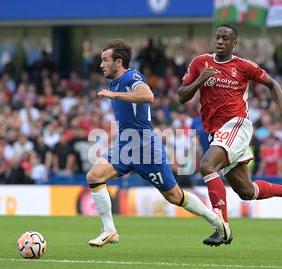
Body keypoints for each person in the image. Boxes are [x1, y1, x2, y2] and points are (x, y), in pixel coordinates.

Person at [87, 39, 227, 247]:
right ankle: (109, 230)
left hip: (145, 148)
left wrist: (113, 95)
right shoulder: (114, 82)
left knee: (174, 196)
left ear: (118, 62)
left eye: (105, 60)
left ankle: (217, 222)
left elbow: (148, 95)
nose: (101, 65)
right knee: (94, 176)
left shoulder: (131, 76)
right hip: (125, 145)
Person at [177, 25, 282, 247]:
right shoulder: (200, 63)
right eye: (217, 37)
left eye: (225, 39)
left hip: (237, 125)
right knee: (246, 191)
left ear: (234, 44)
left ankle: (222, 227)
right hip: (216, 133)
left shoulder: (243, 66)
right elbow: (181, 95)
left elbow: (272, 83)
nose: (220, 41)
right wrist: (199, 81)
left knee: (207, 166)